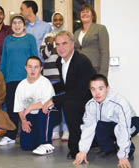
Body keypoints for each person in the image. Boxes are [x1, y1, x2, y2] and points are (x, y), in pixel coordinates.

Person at [42, 30, 96, 159]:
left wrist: (54, 100)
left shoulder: (81, 61)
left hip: (91, 101)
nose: (61, 48)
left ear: (72, 44)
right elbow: (66, 85)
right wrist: (46, 89)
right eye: (58, 44)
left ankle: (76, 147)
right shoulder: (59, 62)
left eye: (64, 43)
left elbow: (80, 91)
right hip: (77, 96)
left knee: (69, 105)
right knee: (65, 102)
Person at [73, 74, 139, 168]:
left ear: (107, 88)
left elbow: (124, 127)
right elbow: (88, 128)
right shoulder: (90, 105)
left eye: (100, 88)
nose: (97, 93)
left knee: (119, 130)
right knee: (98, 126)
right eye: (93, 89)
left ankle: (129, 149)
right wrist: (83, 151)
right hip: (112, 124)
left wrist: (123, 155)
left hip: (132, 123)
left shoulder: (119, 102)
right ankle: (109, 149)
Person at [0, 15, 38, 146]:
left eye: (19, 22)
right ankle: (11, 135)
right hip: (11, 79)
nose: (17, 25)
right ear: (11, 26)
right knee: (12, 108)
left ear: (24, 25)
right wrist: (1, 78)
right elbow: (4, 60)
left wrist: (35, 77)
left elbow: (35, 58)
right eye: (14, 23)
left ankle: (30, 133)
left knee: (28, 107)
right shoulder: (7, 40)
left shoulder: (30, 39)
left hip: (27, 79)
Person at [14, 56, 55, 155]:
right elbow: (19, 107)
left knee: (45, 110)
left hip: (47, 114)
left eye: (36, 67)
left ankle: (46, 144)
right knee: (26, 145)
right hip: (31, 116)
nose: (33, 70)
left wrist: (31, 107)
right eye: (30, 66)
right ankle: (39, 137)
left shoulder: (45, 83)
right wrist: (23, 121)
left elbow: (48, 103)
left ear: (41, 69)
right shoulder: (21, 86)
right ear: (26, 68)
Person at [40, 12, 69, 141]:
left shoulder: (67, 35)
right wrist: (50, 44)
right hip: (49, 76)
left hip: (62, 75)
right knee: (52, 104)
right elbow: (43, 55)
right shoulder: (47, 36)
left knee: (64, 103)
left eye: (60, 19)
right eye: (55, 20)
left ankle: (67, 129)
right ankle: (55, 129)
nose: (58, 22)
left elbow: (69, 53)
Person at [74, 5, 109, 77]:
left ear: (93, 15)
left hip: (94, 68)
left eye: (87, 12)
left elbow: (105, 52)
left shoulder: (100, 28)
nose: (84, 14)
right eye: (82, 12)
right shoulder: (76, 32)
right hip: (79, 69)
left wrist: (103, 74)